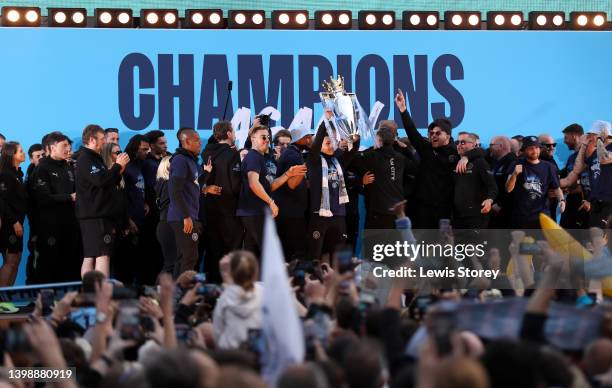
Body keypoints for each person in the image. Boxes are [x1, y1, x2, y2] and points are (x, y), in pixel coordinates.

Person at [394, 88, 484, 229]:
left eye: (437, 133)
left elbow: (480, 152)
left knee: (441, 247)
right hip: (422, 208)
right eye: (431, 133)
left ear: (447, 136)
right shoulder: (426, 148)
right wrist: (403, 110)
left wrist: (466, 157)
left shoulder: (456, 152)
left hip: (445, 210)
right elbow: (412, 132)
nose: (433, 136)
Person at [237, 124, 304, 258]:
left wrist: (288, 174)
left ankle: (252, 279)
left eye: (268, 137)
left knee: (254, 255)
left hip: (255, 212)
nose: (267, 140)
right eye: (263, 137)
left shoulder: (259, 158)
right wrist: (271, 202)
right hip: (254, 212)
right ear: (253, 139)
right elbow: (253, 183)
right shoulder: (253, 157)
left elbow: (270, 186)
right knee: (267, 255)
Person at [75, 124, 129, 277]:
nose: (104, 142)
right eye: (102, 139)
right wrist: (118, 166)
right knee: (102, 256)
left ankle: (91, 291)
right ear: (92, 140)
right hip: (95, 215)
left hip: (96, 214)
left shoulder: (94, 159)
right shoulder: (86, 159)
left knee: (91, 256)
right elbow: (101, 180)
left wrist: (119, 171)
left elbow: (106, 182)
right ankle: (100, 293)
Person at [306, 111, 360, 261]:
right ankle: (316, 282)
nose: (331, 145)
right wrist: (326, 121)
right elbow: (316, 145)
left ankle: (337, 283)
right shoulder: (314, 160)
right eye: (327, 142)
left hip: (339, 214)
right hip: (320, 214)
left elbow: (354, 149)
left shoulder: (338, 160)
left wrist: (355, 137)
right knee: (316, 255)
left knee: (338, 257)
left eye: (332, 141)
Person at [35, 132, 81, 283]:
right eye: (65, 146)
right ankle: (43, 301)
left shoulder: (68, 167)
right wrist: (69, 197)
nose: (68, 149)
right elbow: (43, 198)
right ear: (53, 148)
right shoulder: (42, 168)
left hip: (70, 224)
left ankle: (67, 301)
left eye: (69, 145)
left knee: (70, 264)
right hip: (50, 226)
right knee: (48, 265)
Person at [201, 121, 243, 281]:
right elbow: (235, 184)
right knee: (231, 251)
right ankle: (228, 286)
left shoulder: (206, 153)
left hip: (210, 209)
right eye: (233, 131)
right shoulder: (232, 155)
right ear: (229, 134)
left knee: (213, 250)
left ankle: (212, 285)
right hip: (229, 209)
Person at [351, 124, 411, 229]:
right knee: (393, 245)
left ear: (379, 141)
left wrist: (370, 149)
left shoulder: (371, 156)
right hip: (397, 212)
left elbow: (350, 161)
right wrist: (406, 149)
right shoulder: (401, 158)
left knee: (374, 244)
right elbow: (416, 167)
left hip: (377, 213)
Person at [168, 128, 208, 276]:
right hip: (183, 217)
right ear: (186, 141)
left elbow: (194, 184)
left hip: (188, 216)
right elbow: (174, 189)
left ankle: (177, 294)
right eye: (196, 140)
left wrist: (207, 173)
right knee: (190, 257)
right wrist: (186, 216)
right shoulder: (180, 160)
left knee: (184, 258)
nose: (200, 143)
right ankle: (183, 293)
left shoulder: (190, 161)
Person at [505, 136, 565, 229]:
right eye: (531, 148)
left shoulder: (549, 167)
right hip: (521, 217)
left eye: (537, 147)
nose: (535, 151)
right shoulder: (516, 164)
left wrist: (562, 200)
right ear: (524, 150)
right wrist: (514, 174)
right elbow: (508, 189)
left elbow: (557, 188)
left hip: (543, 217)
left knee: (543, 243)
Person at [563, 120, 612, 229]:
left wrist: (599, 140)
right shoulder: (595, 151)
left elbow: (603, 159)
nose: (590, 137)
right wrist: (584, 146)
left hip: (609, 201)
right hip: (596, 201)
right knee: (594, 235)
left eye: (592, 135)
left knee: (601, 236)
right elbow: (578, 168)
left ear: (602, 134)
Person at [274, 125, 312, 260]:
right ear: (299, 139)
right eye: (307, 137)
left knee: (288, 253)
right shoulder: (293, 155)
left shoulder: (292, 153)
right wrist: (306, 167)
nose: (310, 139)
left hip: (290, 212)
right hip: (291, 215)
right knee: (294, 255)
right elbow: (292, 184)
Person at [212, 250, 262, 349]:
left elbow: (217, 334)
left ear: (232, 272)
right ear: (256, 271)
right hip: (257, 350)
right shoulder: (263, 292)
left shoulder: (225, 298)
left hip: (229, 353)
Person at [452, 132, 497, 230]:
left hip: (476, 217)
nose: (459, 145)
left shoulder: (480, 162)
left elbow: (492, 186)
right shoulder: (454, 161)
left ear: (473, 145)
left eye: (463, 142)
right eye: (457, 142)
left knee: (475, 245)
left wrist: (489, 200)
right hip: (457, 217)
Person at [0, 142, 27, 286]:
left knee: (16, 260)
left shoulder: (18, 174)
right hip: (9, 225)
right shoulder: (5, 175)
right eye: (20, 151)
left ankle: (7, 297)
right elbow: (2, 202)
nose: (23, 153)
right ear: (12, 155)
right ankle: (1, 300)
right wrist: (14, 222)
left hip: (18, 223)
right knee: (10, 261)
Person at [559, 123, 589, 229]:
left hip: (582, 206)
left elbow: (586, 183)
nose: (564, 141)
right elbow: (568, 178)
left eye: (566, 137)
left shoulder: (588, 156)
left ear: (574, 136)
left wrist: (569, 189)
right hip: (570, 205)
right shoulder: (571, 158)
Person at [155, 156, 178, 276]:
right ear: (167, 167)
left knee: (171, 263)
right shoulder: (169, 183)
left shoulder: (161, 183)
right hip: (168, 225)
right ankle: (160, 291)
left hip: (164, 224)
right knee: (171, 263)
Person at [488, 136, 516, 229]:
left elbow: (512, 187)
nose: (489, 148)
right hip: (493, 210)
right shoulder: (496, 161)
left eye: (491, 145)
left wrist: (500, 204)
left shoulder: (512, 162)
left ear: (500, 146)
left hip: (505, 212)